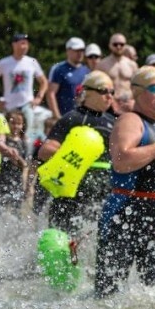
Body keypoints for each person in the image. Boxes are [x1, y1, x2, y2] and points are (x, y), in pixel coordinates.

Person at [94, 66, 155, 298]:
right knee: (108, 296)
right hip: (126, 215)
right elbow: (122, 160)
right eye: (154, 88)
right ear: (137, 92)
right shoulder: (130, 120)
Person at [37, 70, 117, 235]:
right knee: (62, 239)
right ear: (87, 92)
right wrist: (79, 158)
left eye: (112, 92)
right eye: (103, 91)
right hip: (71, 192)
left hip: (103, 191)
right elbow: (46, 151)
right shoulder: (73, 118)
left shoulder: (114, 122)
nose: (109, 96)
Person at [0, 32, 48, 142]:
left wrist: (39, 97)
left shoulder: (32, 62)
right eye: (22, 43)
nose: (25, 46)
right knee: (7, 136)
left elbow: (44, 81)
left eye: (26, 44)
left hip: (27, 105)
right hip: (9, 106)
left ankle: (26, 157)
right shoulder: (4, 63)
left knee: (27, 136)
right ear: (14, 44)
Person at [46, 37, 89, 117]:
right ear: (68, 51)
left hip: (82, 117)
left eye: (82, 50)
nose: (80, 53)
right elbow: (51, 94)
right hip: (64, 116)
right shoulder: (59, 69)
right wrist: (57, 117)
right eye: (76, 50)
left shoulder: (86, 70)